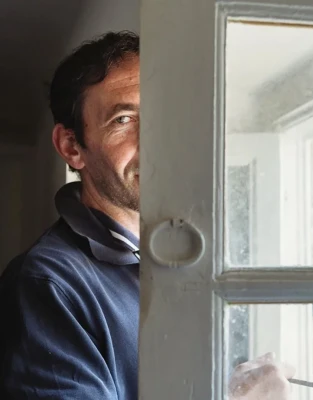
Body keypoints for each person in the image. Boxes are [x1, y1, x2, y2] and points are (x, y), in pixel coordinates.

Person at [0, 31, 294, 399]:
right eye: (123, 119)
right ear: (72, 146)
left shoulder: (176, 257)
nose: (155, 141)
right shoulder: (46, 284)